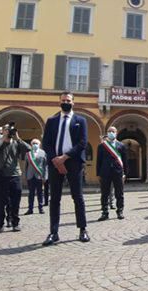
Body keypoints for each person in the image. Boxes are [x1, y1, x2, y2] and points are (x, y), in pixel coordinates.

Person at [41, 91, 91, 246]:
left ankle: (83, 229)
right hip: (55, 162)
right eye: (63, 100)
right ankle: (53, 232)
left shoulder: (80, 120)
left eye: (68, 100)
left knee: (78, 197)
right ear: (59, 102)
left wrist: (65, 157)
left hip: (73, 162)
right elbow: (46, 143)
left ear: (73, 102)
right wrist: (56, 159)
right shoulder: (51, 121)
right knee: (54, 198)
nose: (66, 102)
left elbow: (82, 143)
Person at [0, 124, 31, 233]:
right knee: (0, 202)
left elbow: (28, 149)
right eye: (7, 130)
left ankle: (15, 223)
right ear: (3, 131)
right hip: (1, 176)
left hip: (15, 175)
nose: (10, 131)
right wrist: (4, 137)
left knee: (15, 201)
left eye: (11, 130)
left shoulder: (16, 143)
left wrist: (18, 137)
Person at [97, 127, 128, 221]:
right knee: (104, 194)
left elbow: (125, 161)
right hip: (105, 172)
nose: (111, 133)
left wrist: (125, 173)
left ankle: (120, 211)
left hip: (118, 172)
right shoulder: (102, 146)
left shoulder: (121, 146)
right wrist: (98, 173)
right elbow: (99, 161)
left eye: (113, 131)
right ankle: (104, 213)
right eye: (109, 131)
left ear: (116, 133)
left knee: (119, 193)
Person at [24, 139, 47, 215]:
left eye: (36, 143)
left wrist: (45, 176)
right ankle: (30, 209)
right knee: (31, 193)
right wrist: (25, 176)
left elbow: (45, 166)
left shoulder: (43, 153)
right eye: (33, 143)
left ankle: (41, 208)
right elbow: (26, 167)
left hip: (39, 176)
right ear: (31, 144)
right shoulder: (28, 154)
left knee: (40, 193)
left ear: (39, 144)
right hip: (30, 176)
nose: (35, 145)